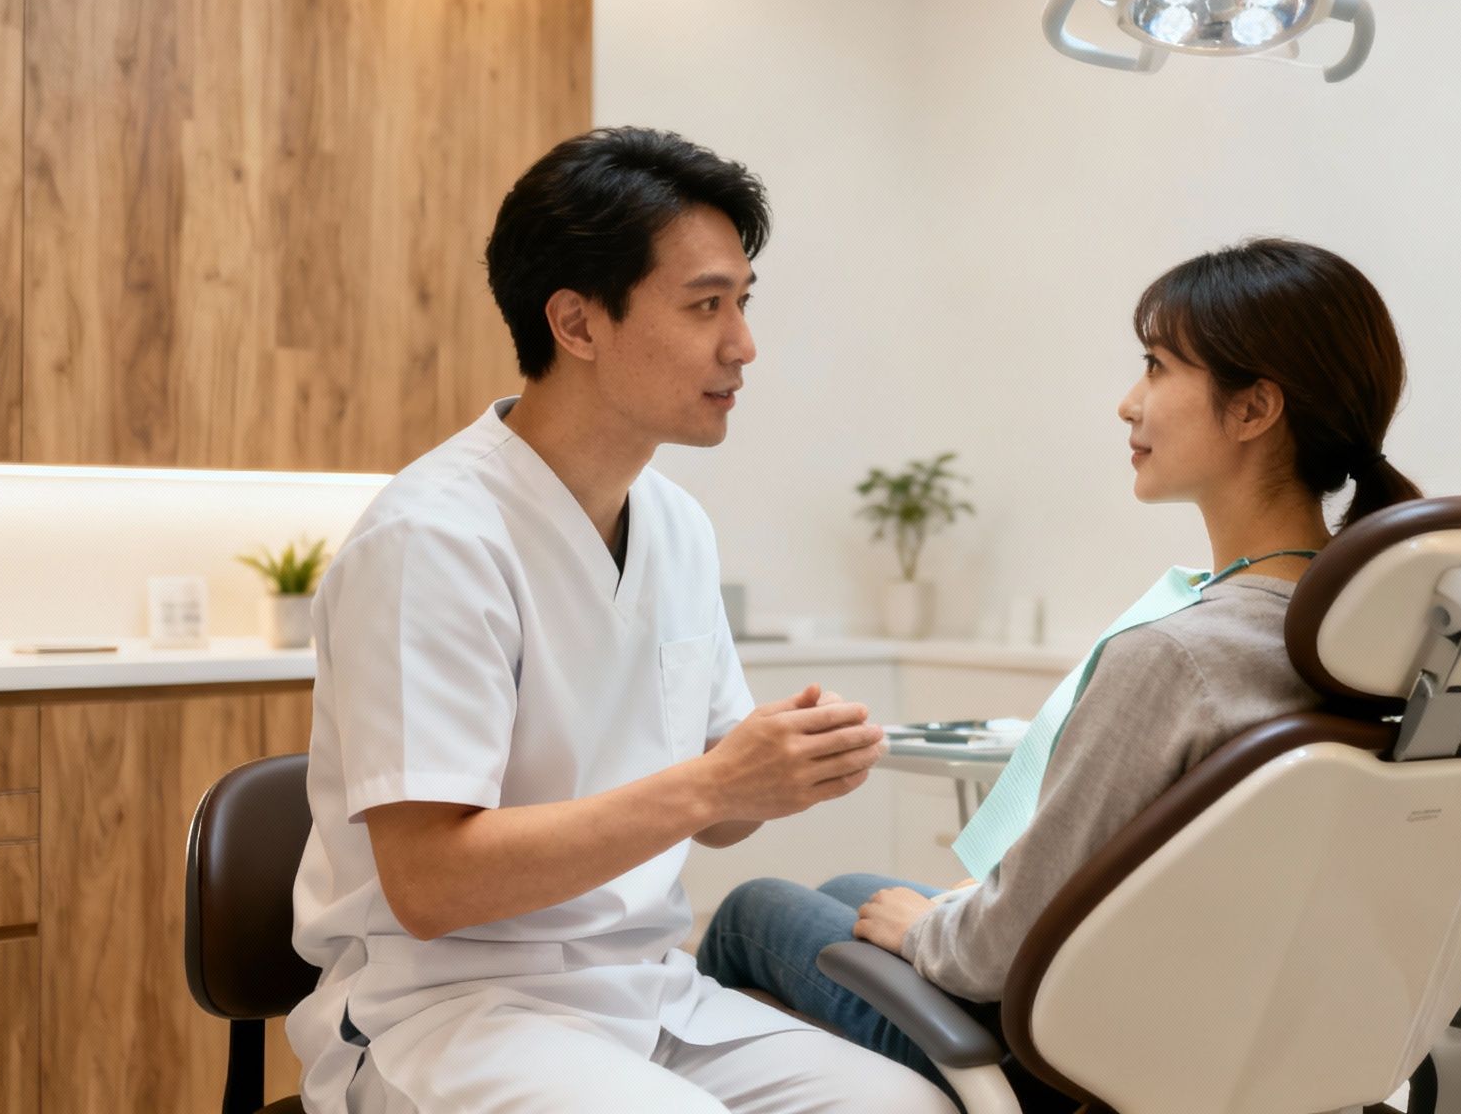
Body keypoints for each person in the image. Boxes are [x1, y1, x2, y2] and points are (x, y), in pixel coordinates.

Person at [286, 127, 958, 1114]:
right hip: (448, 1011)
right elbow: (430, 886)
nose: (742, 344)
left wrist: (780, 770)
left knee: (913, 1108)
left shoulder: (675, 524)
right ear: (576, 323)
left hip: (647, 994)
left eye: (743, 302)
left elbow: (717, 817)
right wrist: (711, 784)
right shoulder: (430, 539)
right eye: (705, 305)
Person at [697, 237, 1425, 1099]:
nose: (1128, 403)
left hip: (1069, 1065)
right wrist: (937, 920)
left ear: (1253, 408)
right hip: (1239, 1033)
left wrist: (927, 933)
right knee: (856, 892)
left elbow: (993, 953)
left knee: (752, 912)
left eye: (1156, 367)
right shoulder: (1375, 647)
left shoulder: (1178, 657)